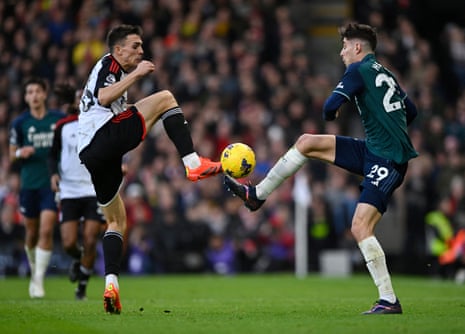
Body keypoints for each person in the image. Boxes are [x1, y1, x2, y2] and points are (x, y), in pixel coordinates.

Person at [225, 22, 418, 315]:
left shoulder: (357, 71)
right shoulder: (385, 72)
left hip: (387, 159)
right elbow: (411, 111)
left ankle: (389, 299)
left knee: (360, 226)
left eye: (344, 46)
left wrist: (344, 103)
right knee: (307, 142)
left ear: (357, 48)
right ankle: (258, 194)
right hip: (375, 149)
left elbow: (329, 109)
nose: (341, 52)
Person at [77, 24, 222, 314]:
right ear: (118, 50)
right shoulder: (109, 63)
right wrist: (137, 73)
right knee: (166, 98)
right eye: (135, 46)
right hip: (100, 137)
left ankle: (111, 283)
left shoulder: (112, 69)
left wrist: (115, 156)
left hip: (92, 153)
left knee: (116, 221)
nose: (141, 51)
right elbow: (104, 98)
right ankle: (192, 162)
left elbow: (107, 106)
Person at [48, 83, 106, 300]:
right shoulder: (62, 126)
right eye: (78, 97)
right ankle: (81, 260)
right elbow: (52, 155)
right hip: (69, 191)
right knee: (69, 243)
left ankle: (82, 284)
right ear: (73, 102)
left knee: (90, 238)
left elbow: (109, 151)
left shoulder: (98, 124)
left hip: (92, 189)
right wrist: (53, 174)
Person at [9, 77, 65, 298]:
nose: (33, 95)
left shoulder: (58, 120)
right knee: (31, 232)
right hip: (29, 184)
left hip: (51, 184)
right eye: (29, 92)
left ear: (44, 94)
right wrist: (19, 153)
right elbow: (11, 154)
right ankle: (34, 271)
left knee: (46, 229)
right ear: (25, 97)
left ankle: (39, 279)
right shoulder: (20, 123)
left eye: (37, 91)